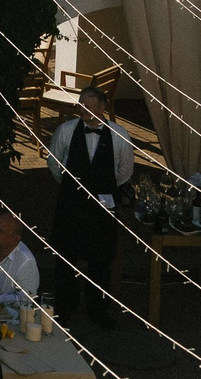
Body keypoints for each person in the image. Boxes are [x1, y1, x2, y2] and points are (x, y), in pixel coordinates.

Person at [47, 87, 135, 326]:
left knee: (101, 260)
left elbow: (125, 172)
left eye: (88, 105)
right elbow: (55, 165)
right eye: (80, 105)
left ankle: (99, 311)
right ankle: (64, 309)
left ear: (102, 108)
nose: (82, 110)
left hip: (103, 207)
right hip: (70, 206)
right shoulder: (65, 132)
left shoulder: (119, 135)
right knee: (66, 258)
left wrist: (102, 188)